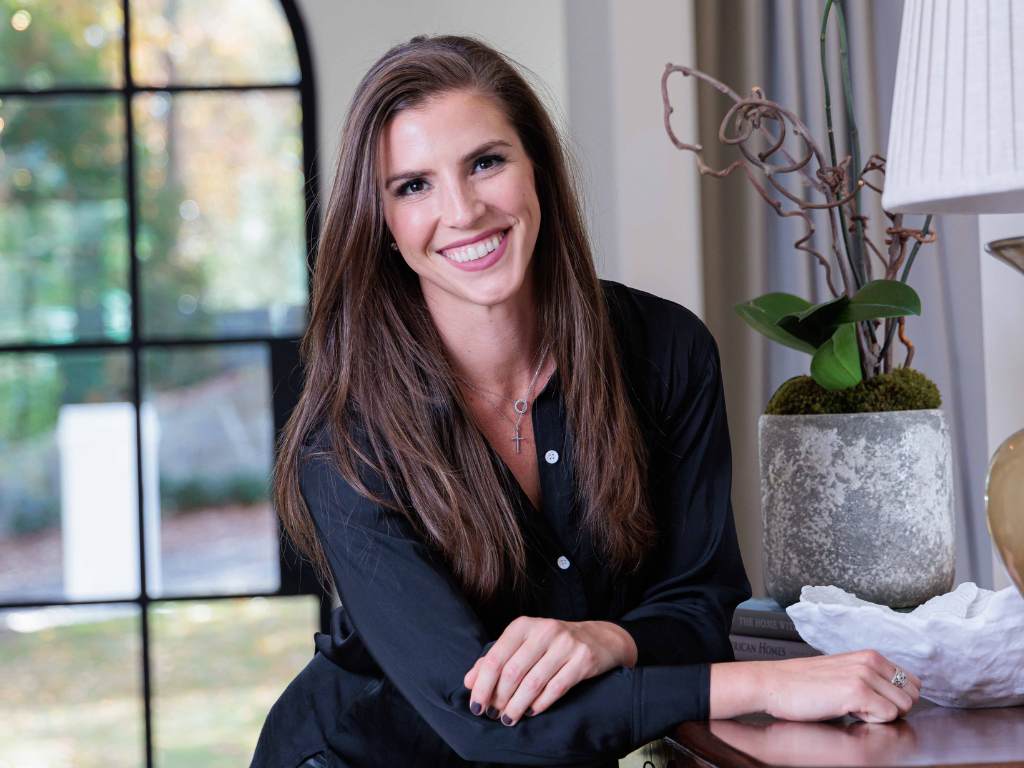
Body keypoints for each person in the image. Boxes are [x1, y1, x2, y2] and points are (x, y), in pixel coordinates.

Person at [251, 34, 921, 768]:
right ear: (380, 223)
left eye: (485, 162)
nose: (464, 210)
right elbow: (488, 724)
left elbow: (702, 602)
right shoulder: (345, 441)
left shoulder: (666, 351)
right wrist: (768, 685)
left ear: (535, 165)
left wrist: (611, 638)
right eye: (413, 185)